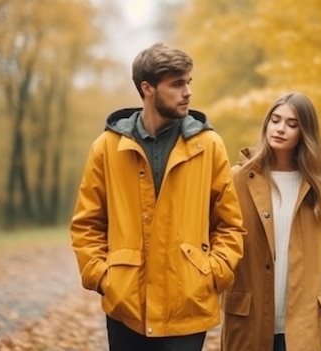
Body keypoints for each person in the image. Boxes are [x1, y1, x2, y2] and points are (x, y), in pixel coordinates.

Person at [69, 42, 246, 351]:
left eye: (189, 82)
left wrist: (212, 273)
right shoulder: (107, 148)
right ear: (147, 87)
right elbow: (87, 224)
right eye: (177, 84)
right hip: (126, 305)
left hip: (188, 303)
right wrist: (103, 277)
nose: (188, 92)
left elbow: (230, 224)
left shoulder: (209, 145)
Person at [221, 92, 321, 351]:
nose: (280, 129)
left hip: (304, 325)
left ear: (305, 132)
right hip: (249, 320)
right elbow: (218, 237)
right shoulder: (237, 179)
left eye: (292, 124)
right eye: (275, 120)